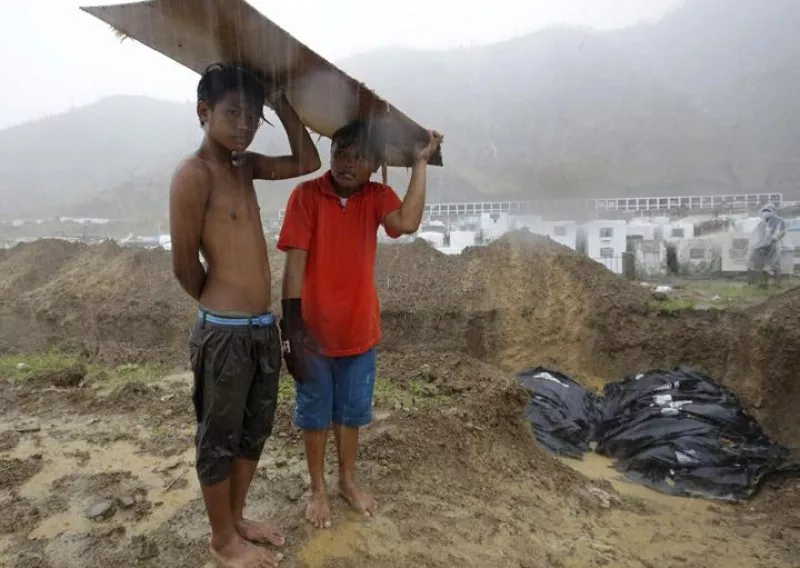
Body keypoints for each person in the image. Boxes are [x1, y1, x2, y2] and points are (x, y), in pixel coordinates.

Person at [169, 63, 321, 568]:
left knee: (254, 431)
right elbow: (184, 265)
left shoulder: (245, 166)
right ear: (204, 111)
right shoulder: (193, 174)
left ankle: (235, 520)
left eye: (253, 116)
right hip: (226, 333)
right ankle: (222, 540)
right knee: (219, 439)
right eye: (233, 113)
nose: (244, 125)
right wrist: (222, 307)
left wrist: (280, 101)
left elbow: (308, 159)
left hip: (261, 329)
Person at [277, 120, 443, 529]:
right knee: (315, 413)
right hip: (312, 335)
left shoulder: (375, 196)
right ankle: (318, 488)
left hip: (359, 332)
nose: (348, 163)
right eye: (341, 153)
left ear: (374, 164)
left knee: (350, 414)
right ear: (330, 155)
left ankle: (347, 481)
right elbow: (294, 263)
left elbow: (407, 222)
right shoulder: (306, 196)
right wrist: (291, 328)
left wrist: (420, 163)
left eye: (359, 156)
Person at [748, 204, 787, 288]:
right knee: (764, 266)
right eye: (764, 211)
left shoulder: (779, 220)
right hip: (763, 246)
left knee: (776, 265)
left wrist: (775, 239)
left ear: (773, 211)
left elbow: (783, 232)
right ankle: (764, 284)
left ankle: (777, 284)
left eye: (768, 211)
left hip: (774, 246)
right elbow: (757, 234)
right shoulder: (762, 222)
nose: (766, 212)